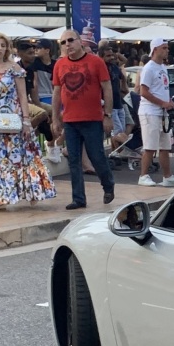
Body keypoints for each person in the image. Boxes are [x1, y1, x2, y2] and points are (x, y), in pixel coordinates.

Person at [0, 32, 55, 211]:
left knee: (20, 155)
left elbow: (23, 96)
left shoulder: (15, 69)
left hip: (12, 113)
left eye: (3, 45)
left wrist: (26, 120)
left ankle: (32, 191)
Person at [52, 29, 116, 210]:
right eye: (63, 43)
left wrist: (108, 115)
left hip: (92, 118)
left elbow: (107, 88)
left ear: (80, 41)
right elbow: (56, 92)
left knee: (96, 156)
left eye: (70, 40)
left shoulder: (96, 62)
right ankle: (78, 198)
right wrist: (55, 118)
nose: (67, 45)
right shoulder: (60, 65)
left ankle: (108, 184)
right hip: (70, 120)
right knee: (73, 160)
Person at [136, 37, 174, 188]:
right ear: (155, 50)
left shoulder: (162, 67)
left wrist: (169, 102)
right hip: (150, 111)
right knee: (150, 145)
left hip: (162, 112)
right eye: (164, 48)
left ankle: (167, 176)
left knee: (165, 145)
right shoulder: (149, 68)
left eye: (167, 48)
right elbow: (143, 91)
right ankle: (143, 175)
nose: (167, 50)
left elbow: (162, 89)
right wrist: (163, 103)